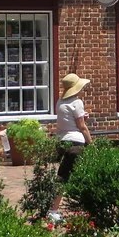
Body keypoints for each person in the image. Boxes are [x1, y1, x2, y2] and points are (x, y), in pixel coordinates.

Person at [48, 73, 92, 221]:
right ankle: (54, 210)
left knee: (63, 175)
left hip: (62, 141)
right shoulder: (77, 102)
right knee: (72, 176)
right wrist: (91, 144)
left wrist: (81, 117)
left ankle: (55, 208)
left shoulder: (60, 102)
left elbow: (68, 120)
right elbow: (82, 127)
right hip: (76, 143)